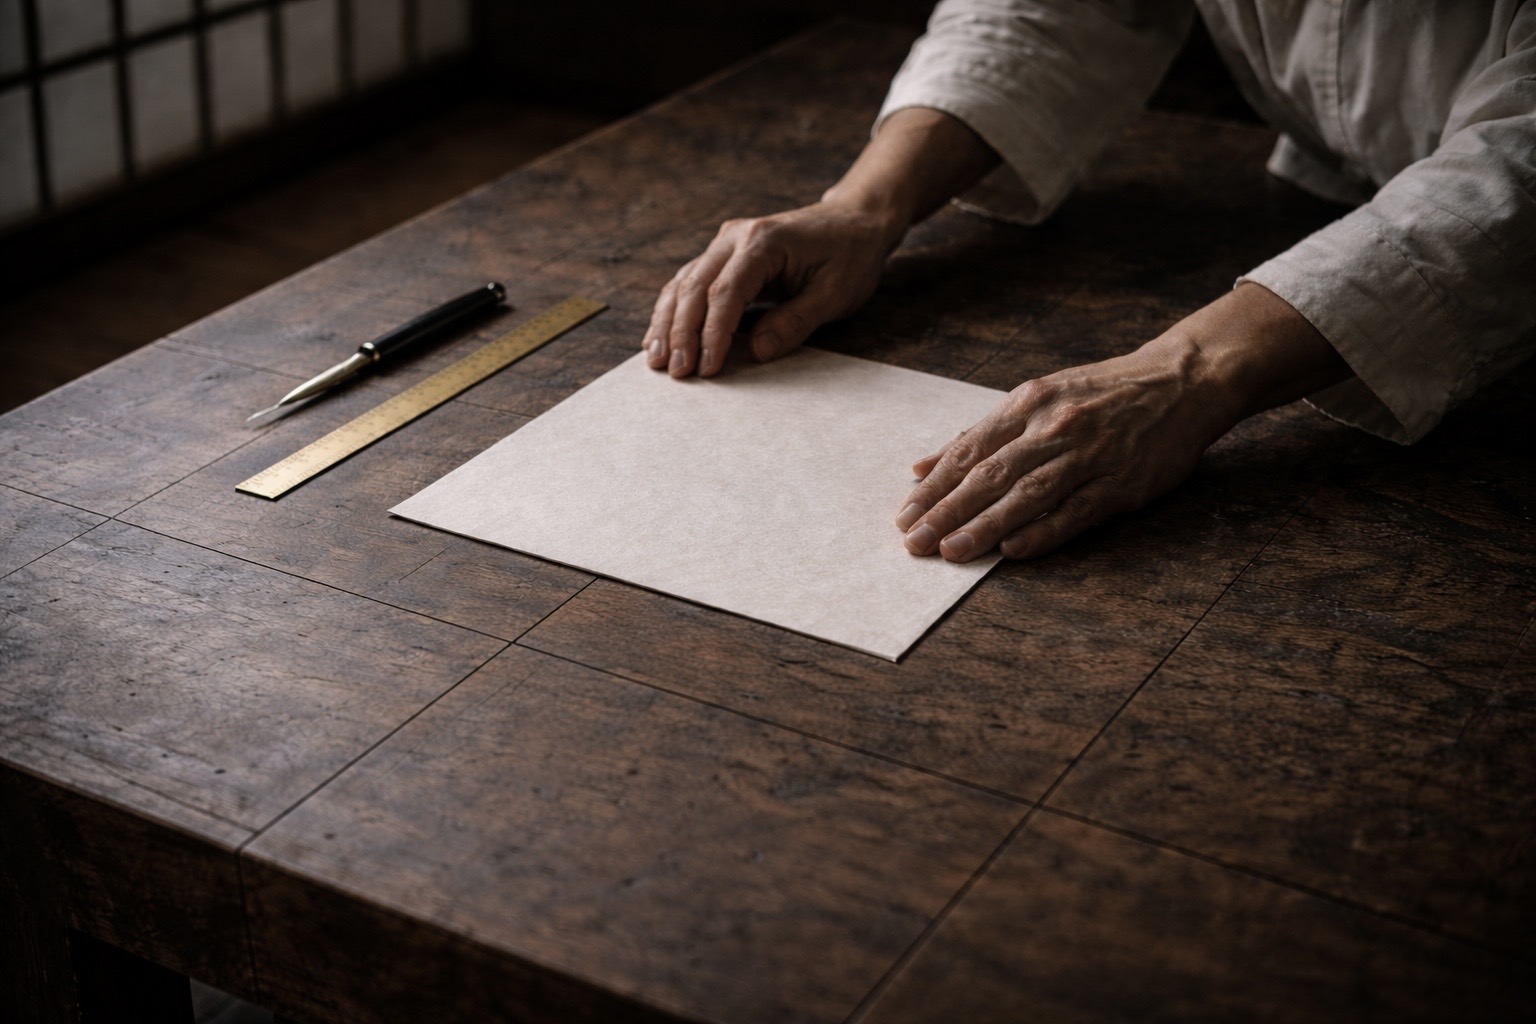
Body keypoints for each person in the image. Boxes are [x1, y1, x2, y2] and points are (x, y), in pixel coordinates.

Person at [641, 1, 1536, 563]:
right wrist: (868, 205)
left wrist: (1190, 371)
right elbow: (1050, 11)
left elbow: (1519, 162)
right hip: (1336, 201)